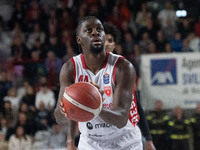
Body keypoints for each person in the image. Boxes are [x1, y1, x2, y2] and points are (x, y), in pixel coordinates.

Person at [54, 16, 143, 150]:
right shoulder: (70, 68)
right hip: (90, 142)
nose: (95, 33)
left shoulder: (123, 67)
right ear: (79, 39)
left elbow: (121, 120)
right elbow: (59, 117)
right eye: (89, 30)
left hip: (125, 140)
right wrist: (70, 138)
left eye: (99, 30)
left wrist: (93, 105)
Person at [104, 22, 156, 150]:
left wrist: (148, 137)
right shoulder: (85, 68)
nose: (107, 44)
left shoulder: (124, 68)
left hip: (124, 132)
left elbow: (136, 104)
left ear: (115, 44)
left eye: (110, 40)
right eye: (103, 40)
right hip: (99, 134)